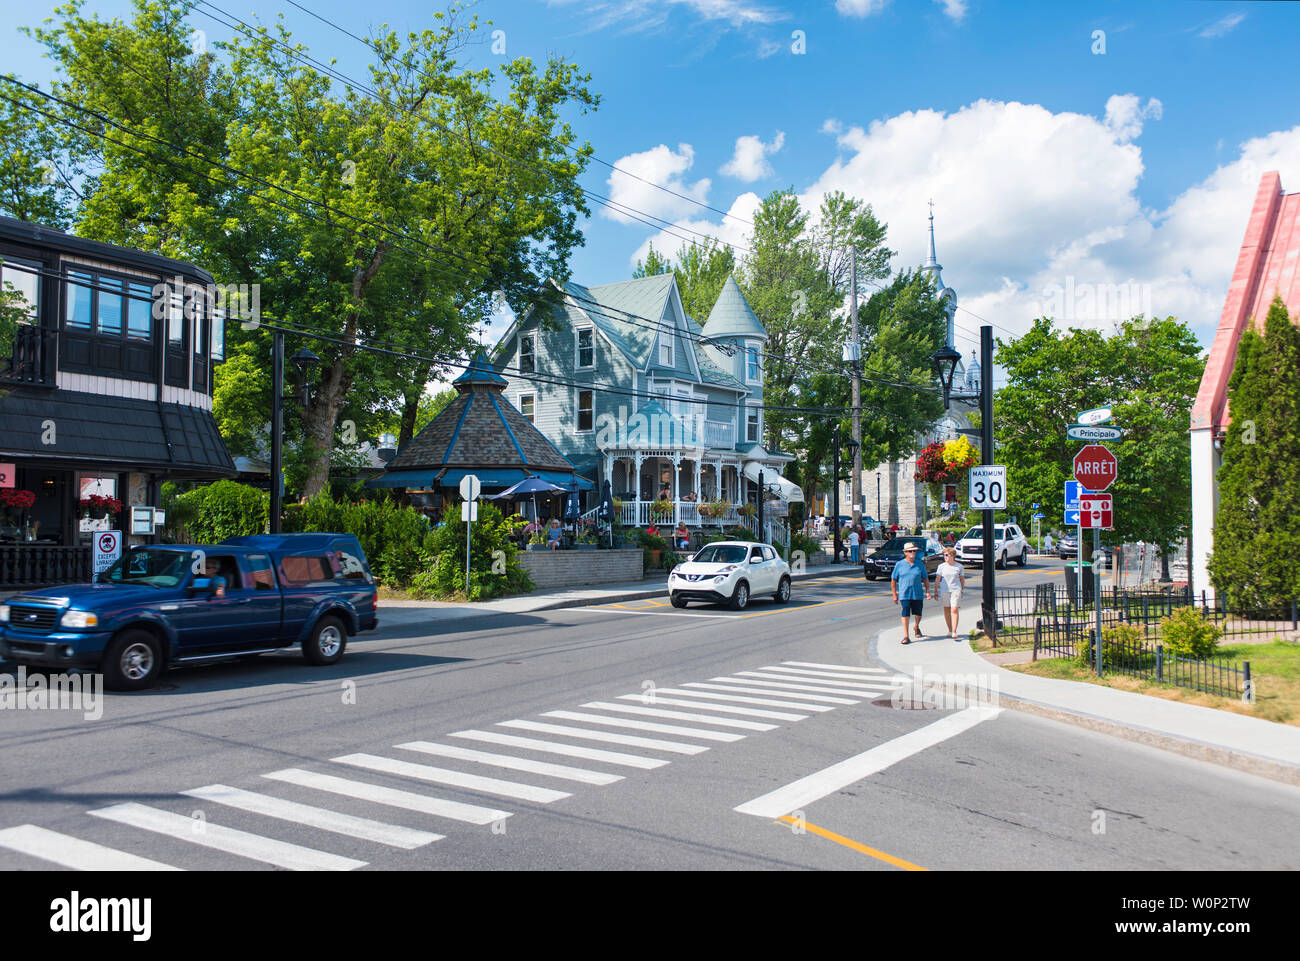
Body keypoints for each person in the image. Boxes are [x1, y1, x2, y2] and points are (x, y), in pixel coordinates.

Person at [891, 541, 928, 644]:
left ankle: (916, 626)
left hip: (918, 593)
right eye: (910, 551)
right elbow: (893, 580)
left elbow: (925, 578)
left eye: (914, 551)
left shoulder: (919, 564)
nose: (913, 553)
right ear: (905, 553)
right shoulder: (899, 564)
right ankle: (906, 636)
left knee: (918, 614)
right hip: (904, 594)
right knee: (905, 612)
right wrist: (895, 594)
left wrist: (928, 591)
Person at [930, 547, 966, 640]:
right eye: (944, 555)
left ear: (953, 556)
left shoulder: (959, 566)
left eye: (947, 555)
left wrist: (962, 589)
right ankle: (949, 630)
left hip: (955, 589)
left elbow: (962, 579)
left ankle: (954, 631)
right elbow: (938, 579)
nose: (945, 557)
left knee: (954, 609)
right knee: (947, 609)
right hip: (944, 590)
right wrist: (936, 591)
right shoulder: (941, 566)